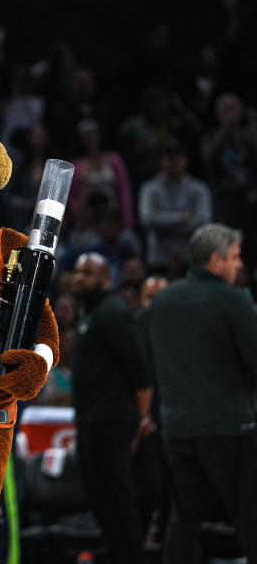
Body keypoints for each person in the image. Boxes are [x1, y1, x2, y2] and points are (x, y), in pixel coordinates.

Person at [146, 223, 257, 564]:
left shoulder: (162, 301)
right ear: (215, 261)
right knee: (251, 519)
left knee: (183, 521)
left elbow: (150, 363)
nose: (239, 265)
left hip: (177, 431)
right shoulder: (233, 301)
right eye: (235, 257)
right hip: (229, 428)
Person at [70, 252, 155, 564]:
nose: (79, 278)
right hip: (90, 422)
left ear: (106, 279)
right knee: (100, 500)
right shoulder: (89, 314)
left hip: (112, 425)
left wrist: (141, 419)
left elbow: (141, 374)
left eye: (88, 273)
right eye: (77, 272)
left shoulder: (112, 313)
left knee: (118, 502)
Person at [137, 139, 212, 275]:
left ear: (186, 160)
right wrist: (183, 217)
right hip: (159, 258)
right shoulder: (149, 189)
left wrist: (162, 220)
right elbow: (148, 220)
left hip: (189, 257)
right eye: (169, 158)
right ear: (161, 161)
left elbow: (203, 221)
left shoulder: (199, 189)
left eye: (178, 157)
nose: (173, 162)